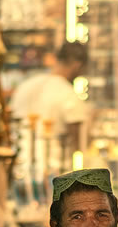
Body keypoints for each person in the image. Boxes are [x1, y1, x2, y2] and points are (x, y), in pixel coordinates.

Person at [9, 42, 90, 184]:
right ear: (78, 65)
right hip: (54, 173)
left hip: (18, 168)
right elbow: (78, 143)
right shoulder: (68, 94)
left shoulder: (25, 86)